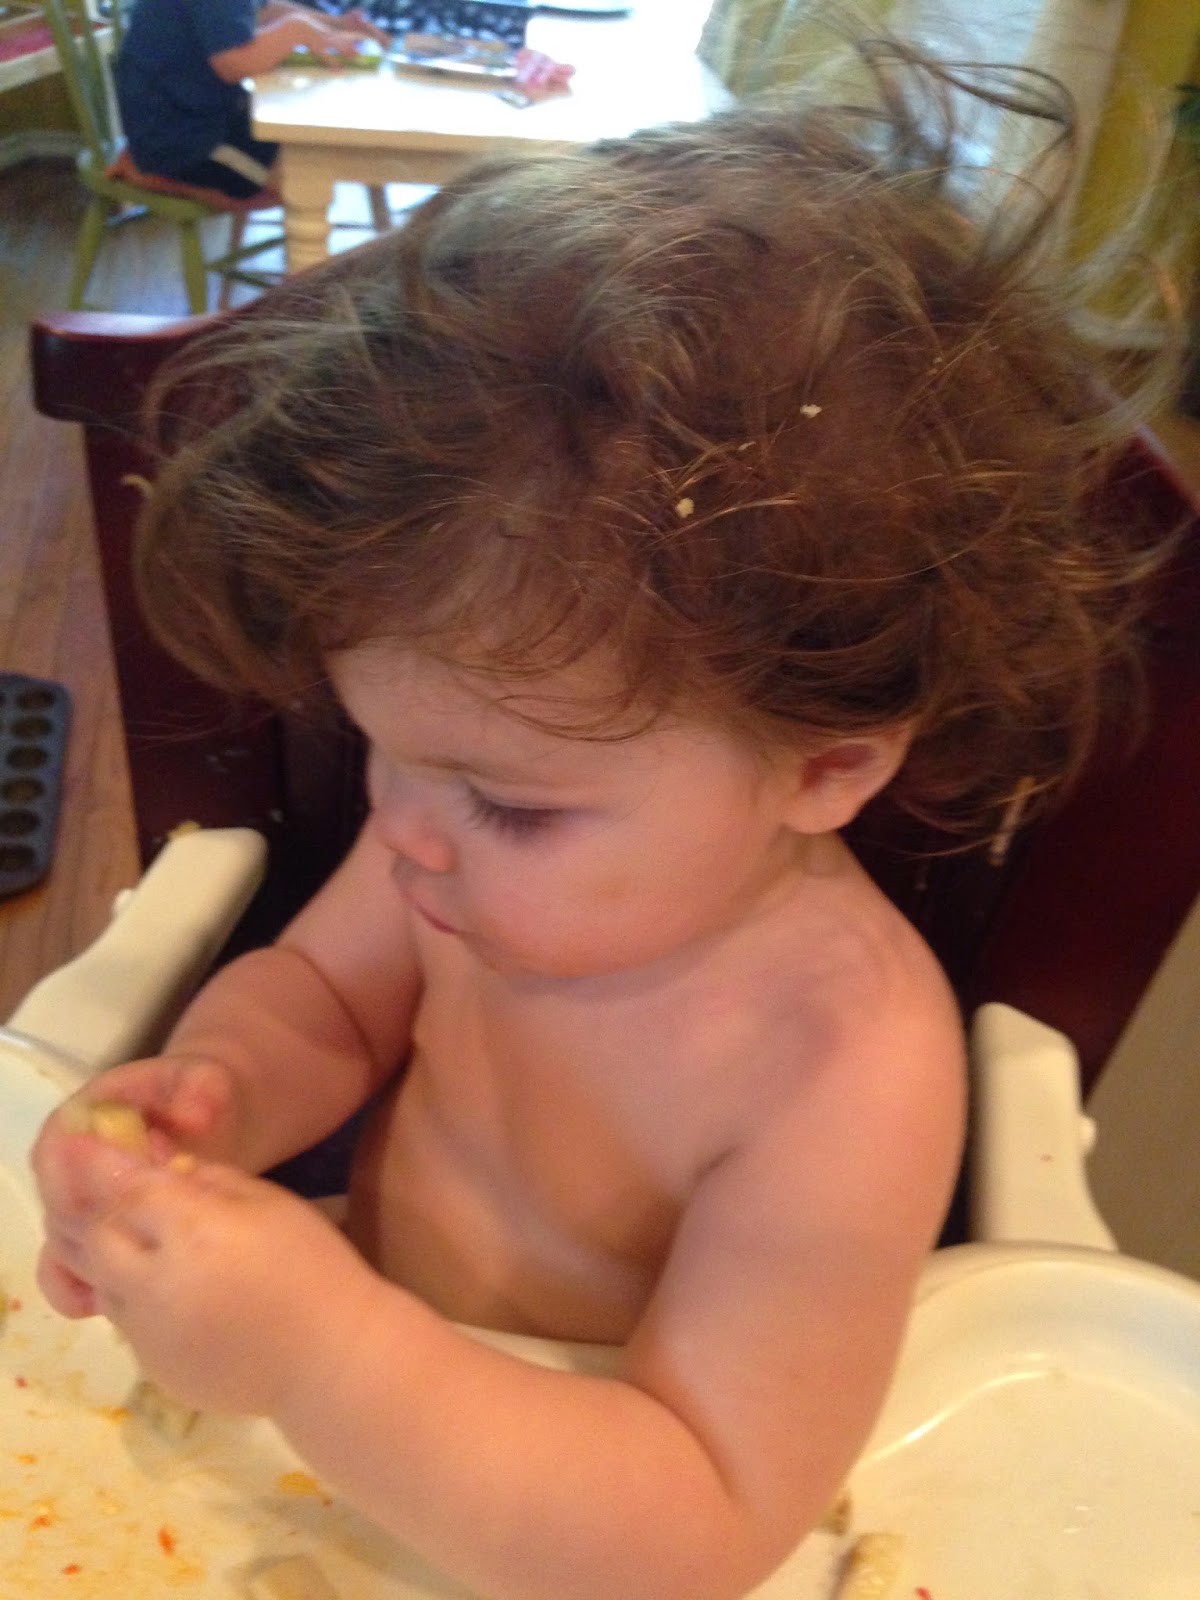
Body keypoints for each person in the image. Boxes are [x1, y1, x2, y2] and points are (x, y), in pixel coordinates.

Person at [34, 39, 1172, 1600]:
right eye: (385, 753)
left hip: (584, 1506)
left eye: (507, 802)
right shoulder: (452, 844)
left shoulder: (841, 1067)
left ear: (824, 767)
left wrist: (316, 1352)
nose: (406, 830)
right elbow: (322, 1001)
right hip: (351, 1409)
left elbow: (699, 1515)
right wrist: (217, 1099)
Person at [114, 0, 390, 198]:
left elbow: (266, 12)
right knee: (305, 187)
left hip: (201, 114)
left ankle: (145, 162)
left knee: (309, 159)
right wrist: (296, 31)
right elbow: (232, 63)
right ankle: (153, 177)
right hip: (180, 138)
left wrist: (335, 25)